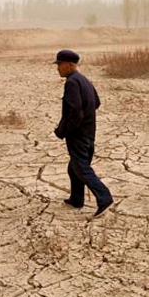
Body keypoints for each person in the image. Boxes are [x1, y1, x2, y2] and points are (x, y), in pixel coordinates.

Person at [53, 49, 113, 217]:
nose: (58, 68)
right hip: (88, 131)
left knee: (81, 168)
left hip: (78, 134)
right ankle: (77, 199)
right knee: (74, 168)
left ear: (70, 65)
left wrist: (66, 130)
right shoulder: (84, 80)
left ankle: (104, 197)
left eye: (60, 64)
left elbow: (76, 111)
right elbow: (96, 102)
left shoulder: (72, 82)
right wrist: (86, 121)